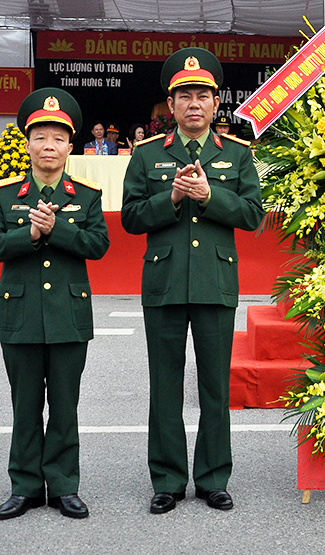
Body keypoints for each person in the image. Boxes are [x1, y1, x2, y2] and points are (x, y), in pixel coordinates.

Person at [121, 47, 264, 514]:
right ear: (171, 104)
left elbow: (253, 216)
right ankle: (166, 478)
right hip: (163, 284)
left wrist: (209, 195)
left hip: (215, 283)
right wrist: (173, 198)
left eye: (203, 94)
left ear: (216, 102)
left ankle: (213, 478)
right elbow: (131, 218)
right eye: (185, 96)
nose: (194, 103)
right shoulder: (147, 155)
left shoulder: (238, 155)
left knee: (214, 388)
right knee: (163, 385)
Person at [0, 87, 110, 520]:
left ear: (70, 146)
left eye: (57, 138)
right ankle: (26, 486)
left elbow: (98, 244)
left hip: (69, 316)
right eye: (40, 137)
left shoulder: (86, 196)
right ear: (28, 144)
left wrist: (58, 231)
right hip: (20, 317)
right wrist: (30, 235)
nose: (48, 146)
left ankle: (65, 486)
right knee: (25, 405)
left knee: (66, 406)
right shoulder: (5, 195)